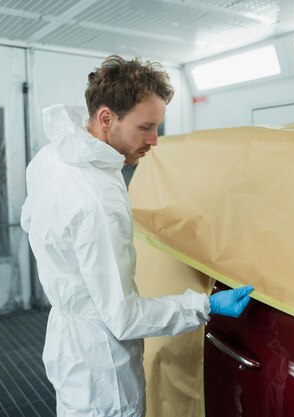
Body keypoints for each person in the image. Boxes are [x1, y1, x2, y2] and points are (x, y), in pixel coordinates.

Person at [20, 55, 254, 417]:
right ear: (106, 118)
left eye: (158, 127)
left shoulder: (51, 157)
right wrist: (203, 305)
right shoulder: (98, 200)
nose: (154, 141)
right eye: (145, 127)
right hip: (104, 373)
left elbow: (30, 221)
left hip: (69, 346)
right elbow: (124, 318)